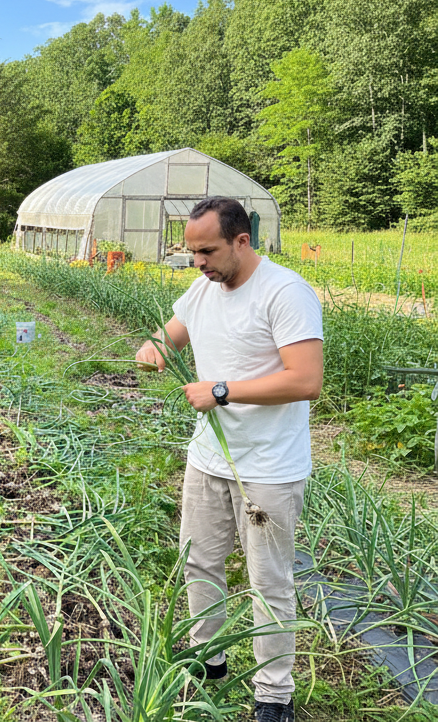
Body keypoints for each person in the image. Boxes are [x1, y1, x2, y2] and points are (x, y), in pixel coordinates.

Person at [135, 197, 323, 722]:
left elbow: (306, 380)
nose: (198, 261)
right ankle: (208, 660)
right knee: (200, 563)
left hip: (268, 468)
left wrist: (221, 389)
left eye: (208, 250)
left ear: (243, 240)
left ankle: (273, 694)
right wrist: (152, 351)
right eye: (192, 251)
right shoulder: (203, 289)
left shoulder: (285, 292)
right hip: (208, 458)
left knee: (269, 580)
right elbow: (164, 339)